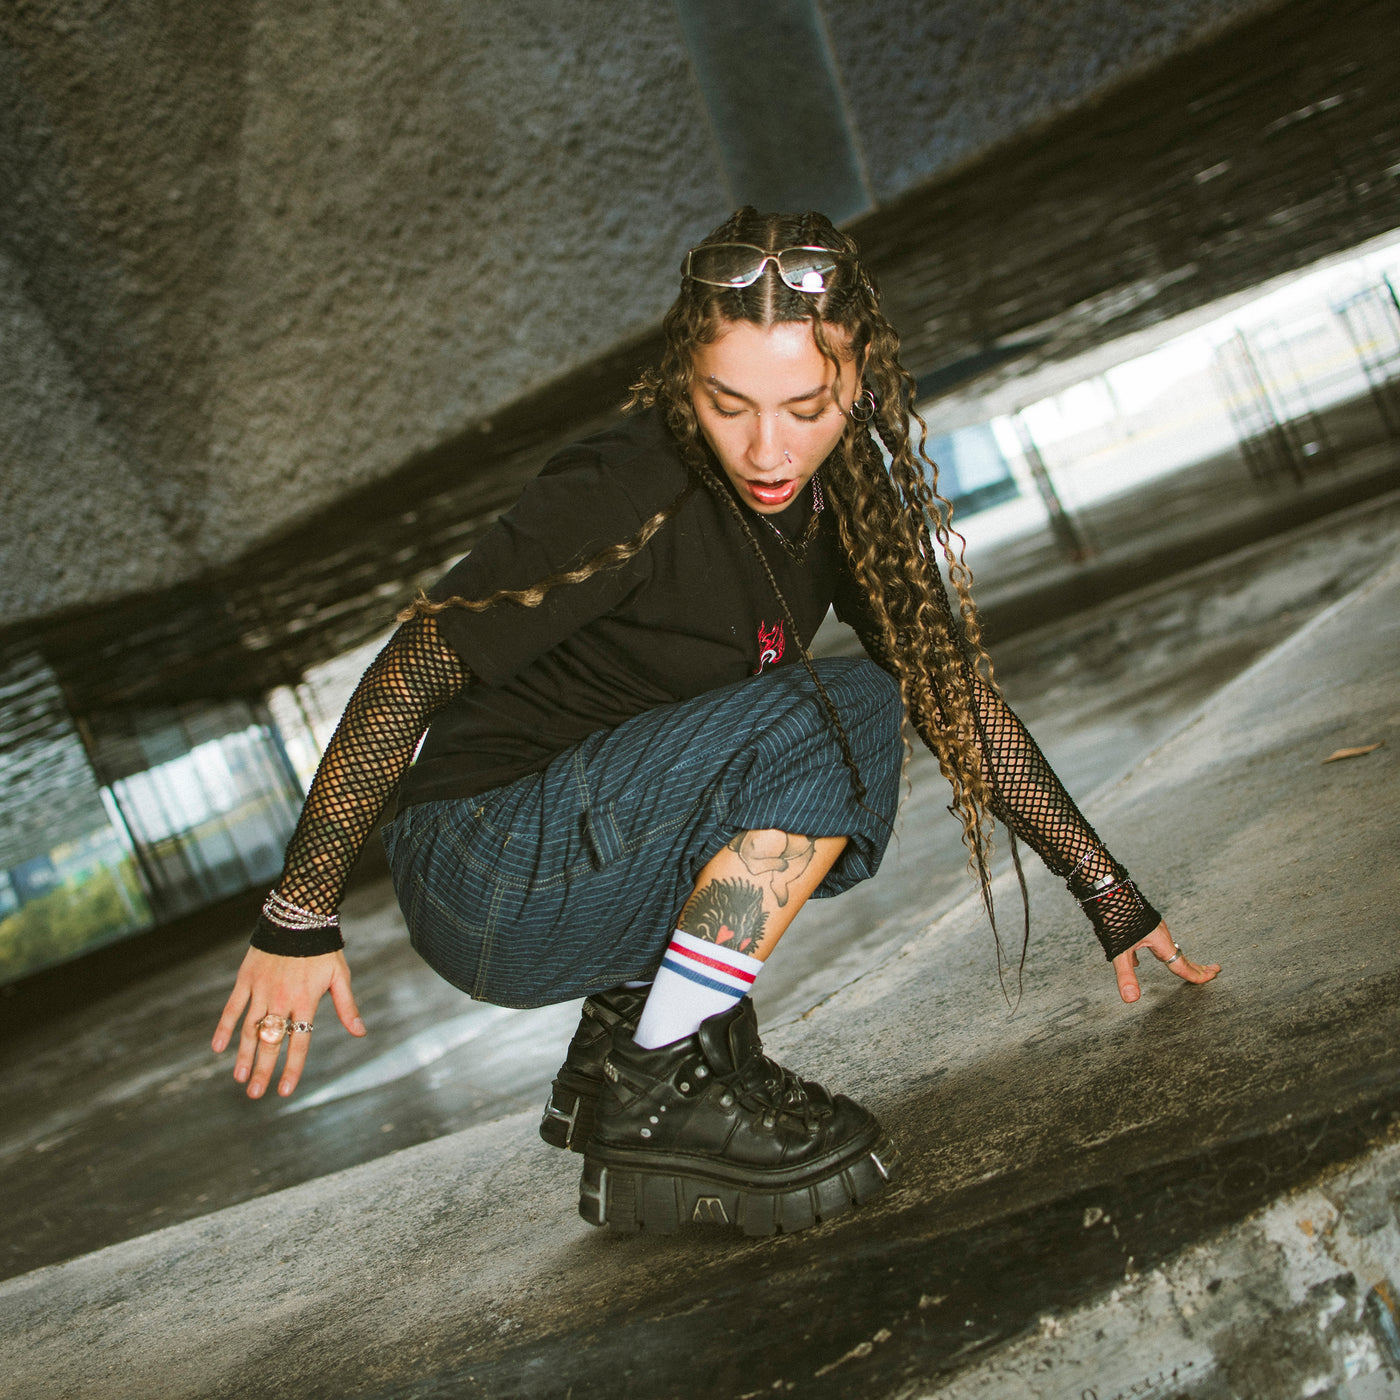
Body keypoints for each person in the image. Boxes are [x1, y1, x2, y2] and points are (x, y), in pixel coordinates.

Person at [212, 208, 1220, 1237]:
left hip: (577, 852)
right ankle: (662, 1082)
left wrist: (1101, 885)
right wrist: (300, 911)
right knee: (835, 717)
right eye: (726, 403)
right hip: (486, 863)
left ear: (857, 381)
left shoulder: (844, 499)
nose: (766, 445)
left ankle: (619, 1057)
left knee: (836, 712)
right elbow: (409, 671)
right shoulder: (626, 481)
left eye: (805, 405)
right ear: (682, 382)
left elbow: (952, 695)